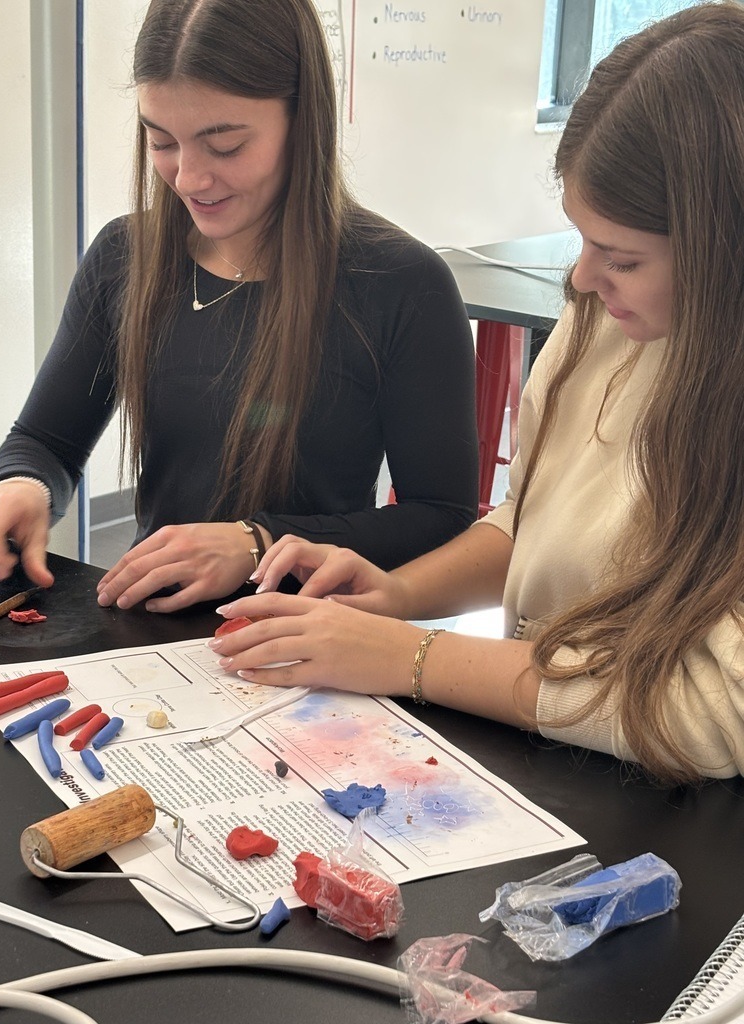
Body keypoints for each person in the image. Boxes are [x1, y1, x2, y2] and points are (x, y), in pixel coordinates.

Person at [209, 2, 744, 785]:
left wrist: (413, 656)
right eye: (583, 240)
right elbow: (529, 517)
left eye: (622, 257)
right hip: (552, 745)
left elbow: (711, 715)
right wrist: (395, 596)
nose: (583, 280)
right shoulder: (604, 317)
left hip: (677, 806)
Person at [0, 0, 478, 613]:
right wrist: (21, 485)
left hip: (316, 637)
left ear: (303, 119)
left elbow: (443, 518)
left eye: (226, 144)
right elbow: (45, 440)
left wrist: (258, 541)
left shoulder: (400, 283)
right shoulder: (123, 257)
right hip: (150, 634)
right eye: (162, 142)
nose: (188, 178)